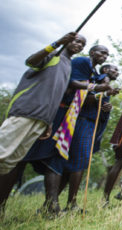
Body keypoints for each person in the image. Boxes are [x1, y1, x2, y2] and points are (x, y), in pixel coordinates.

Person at [0, 32, 85, 215]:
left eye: (82, 44)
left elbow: (56, 96)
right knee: (2, 152)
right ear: (68, 40)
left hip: (42, 120)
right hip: (25, 111)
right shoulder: (53, 55)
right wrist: (56, 43)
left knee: (9, 163)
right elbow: (30, 61)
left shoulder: (67, 66)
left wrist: (48, 122)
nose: (79, 45)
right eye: (76, 40)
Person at [22, 44, 112, 214]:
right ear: (92, 52)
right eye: (102, 52)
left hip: (75, 116)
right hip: (63, 114)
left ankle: (52, 205)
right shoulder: (82, 62)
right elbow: (73, 85)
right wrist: (95, 88)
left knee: (63, 159)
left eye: (108, 54)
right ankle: (62, 204)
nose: (105, 56)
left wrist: (102, 97)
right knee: (60, 158)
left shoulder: (94, 73)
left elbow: (86, 93)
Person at [57, 64, 120, 211]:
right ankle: (71, 204)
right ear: (105, 71)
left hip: (92, 126)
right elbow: (85, 99)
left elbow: (100, 107)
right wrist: (102, 93)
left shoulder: (107, 87)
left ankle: (52, 203)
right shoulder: (96, 81)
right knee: (80, 161)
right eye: (115, 69)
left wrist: (107, 107)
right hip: (83, 122)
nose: (117, 72)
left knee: (74, 164)